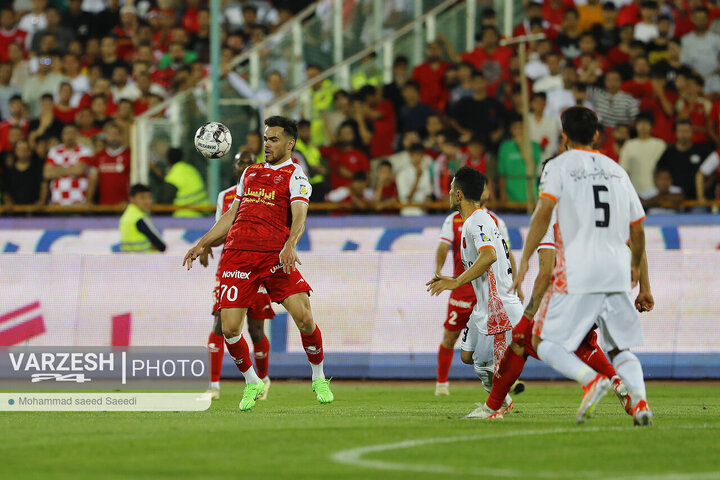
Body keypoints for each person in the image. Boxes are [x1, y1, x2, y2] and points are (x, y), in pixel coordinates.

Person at [510, 106, 654, 426]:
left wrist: (522, 262)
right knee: (619, 347)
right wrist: (643, 282)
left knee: (541, 342)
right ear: (597, 135)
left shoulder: (559, 167)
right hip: (617, 269)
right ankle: (641, 403)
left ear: (564, 138)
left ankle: (590, 379)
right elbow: (638, 229)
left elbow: (544, 212)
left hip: (578, 269)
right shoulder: (617, 170)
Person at [183, 116, 333, 412]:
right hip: (238, 255)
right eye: (266, 138)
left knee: (304, 317)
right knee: (229, 329)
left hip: (273, 256)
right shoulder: (250, 173)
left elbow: (300, 214)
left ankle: (318, 378)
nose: (267, 144)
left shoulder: (295, 175)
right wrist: (203, 242)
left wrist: (291, 244)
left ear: (290, 143)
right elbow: (231, 215)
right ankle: (252, 381)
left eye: (274, 139)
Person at [475, 201, 637, 420]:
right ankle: (621, 386)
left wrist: (528, 316)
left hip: (578, 292)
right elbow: (638, 240)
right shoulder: (596, 205)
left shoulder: (549, 215)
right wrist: (645, 288)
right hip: (613, 292)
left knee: (522, 342)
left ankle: (492, 408)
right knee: (584, 343)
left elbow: (546, 272)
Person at [426, 167, 523, 418]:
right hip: (484, 305)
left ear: (459, 195)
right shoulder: (476, 221)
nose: (447, 193)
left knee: (485, 364)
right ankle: (502, 399)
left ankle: (497, 406)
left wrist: (457, 281)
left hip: (497, 305)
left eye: (450, 189)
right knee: (467, 356)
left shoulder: (477, 221)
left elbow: (489, 255)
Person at [199, 151, 274, 401]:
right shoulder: (226, 196)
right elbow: (222, 229)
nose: (244, 166)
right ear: (235, 168)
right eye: (240, 162)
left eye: (248, 162)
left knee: (255, 328)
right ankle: (213, 385)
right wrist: (207, 243)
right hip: (231, 264)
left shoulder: (269, 191)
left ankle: (263, 380)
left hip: (260, 264)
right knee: (220, 322)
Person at [43, 124, 97, 206]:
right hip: (57, 202)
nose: (69, 136)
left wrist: (57, 169)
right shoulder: (54, 151)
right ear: (62, 135)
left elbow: (79, 170)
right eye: (67, 133)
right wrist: (72, 168)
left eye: (72, 133)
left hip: (78, 202)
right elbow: (47, 173)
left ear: (77, 135)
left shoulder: (85, 151)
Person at [619, 111, 666, 194]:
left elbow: (663, 170)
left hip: (655, 191)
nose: (643, 126)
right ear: (636, 126)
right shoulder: (628, 145)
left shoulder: (660, 144)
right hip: (634, 190)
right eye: (640, 123)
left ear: (652, 126)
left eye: (646, 123)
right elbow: (625, 170)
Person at [91, 122, 130, 206]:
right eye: (110, 134)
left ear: (121, 136)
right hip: (104, 205)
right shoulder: (99, 156)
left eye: (116, 134)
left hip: (123, 205)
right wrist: (89, 201)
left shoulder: (128, 156)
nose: (113, 137)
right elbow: (92, 180)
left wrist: (129, 201)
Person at [118, 184, 166, 252]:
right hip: (144, 259)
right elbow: (161, 245)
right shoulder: (139, 218)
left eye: (149, 197)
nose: (147, 201)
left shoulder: (125, 216)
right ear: (132, 199)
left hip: (128, 259)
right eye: (142, 198)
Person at [160, 148, 207, 217]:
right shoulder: (191, 169)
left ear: (167, 160)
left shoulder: (173, 175)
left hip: (184, 217)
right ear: (182, 158)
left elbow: (165, 202)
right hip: (204, 214)